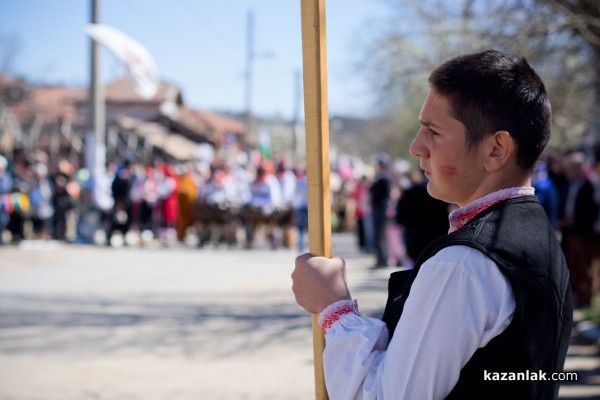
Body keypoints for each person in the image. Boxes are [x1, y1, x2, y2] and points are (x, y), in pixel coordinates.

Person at [292, 49, 573, 399]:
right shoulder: (535, 234)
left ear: (496, 149)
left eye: (434, 132)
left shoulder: (464, 266)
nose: (416, 147)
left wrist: (334, 308)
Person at [369, 153, 391, 268]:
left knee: (379, 235)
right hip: (378, 209)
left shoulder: (384, 178)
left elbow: (377, 193)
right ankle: (380, 258)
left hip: (380, 210)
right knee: (377, 236)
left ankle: (382, 259)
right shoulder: (381, 177)